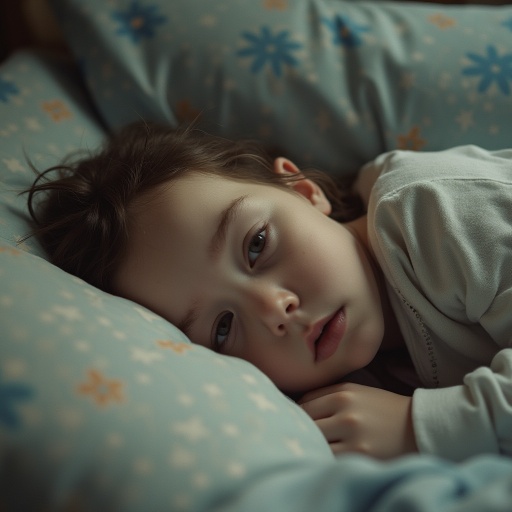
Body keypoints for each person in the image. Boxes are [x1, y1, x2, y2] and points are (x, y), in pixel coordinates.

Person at [25, 121, 512, 462]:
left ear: (302, 190)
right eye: (222, 327)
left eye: (257, 244)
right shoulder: (353, 382)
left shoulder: (436, 212)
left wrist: (428, 425)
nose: (275, 309)